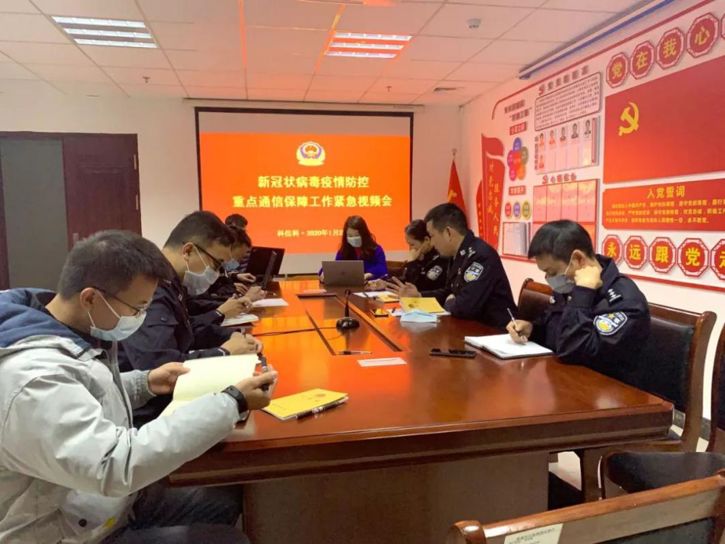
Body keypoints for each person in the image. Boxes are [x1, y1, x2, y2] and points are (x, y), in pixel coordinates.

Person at [0, 230, 277, 544]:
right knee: (227, 540)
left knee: (221, 499)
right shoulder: (32, 378)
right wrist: (231, 402)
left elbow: (82, 393)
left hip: (100, 506)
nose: (141, 318)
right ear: (90, 298)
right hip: (71, 532)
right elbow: (113, 465)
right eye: (137, 308)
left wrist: (143, 383)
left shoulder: (70, 329)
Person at [119, 211, 262, 424]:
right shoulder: (150, 287)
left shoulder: (171, 281)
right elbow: (159, 365)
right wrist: (223, 352)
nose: (217, 274)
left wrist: (231, 336)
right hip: (150, 414)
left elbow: (185, 331)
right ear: (188, 251)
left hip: (169, 399)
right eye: (216, 265)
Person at [506, 220, 650, 383]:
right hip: (567, 383)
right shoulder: (569, 284)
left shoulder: (626, 302)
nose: (549, 279)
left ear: (578, 259)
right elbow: (557, 327)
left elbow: (573, 351)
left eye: (552, 272)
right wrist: (533, 329)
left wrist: (583, 294)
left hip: (608, 392)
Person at [388, 203, 516, 328]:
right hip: (469, 329)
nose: (432, 242)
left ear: (448, 233)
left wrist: (449, 301)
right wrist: (420, 296)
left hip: (495, 332)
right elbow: (449, 291)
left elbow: (464, 307)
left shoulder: (480, 255)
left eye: (432, 236)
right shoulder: (457, 254)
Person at [368, 219, 448, 292]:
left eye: (412, 244)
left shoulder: (441, 258)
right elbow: (405, 280)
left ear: (426, 240)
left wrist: (412, 263)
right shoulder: (419, 257)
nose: (411, 249)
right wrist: (386, 283)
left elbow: (418, 286)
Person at [321, 215, 387, 282]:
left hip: (369, 285)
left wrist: (368, 275)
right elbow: (336, 266)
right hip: (348, 286)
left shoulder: (376, 249)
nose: (353, 238)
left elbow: (382, 268)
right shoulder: (344, 251)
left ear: (363, 234)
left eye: (356, 235)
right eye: (350, 236)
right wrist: (325, 273)